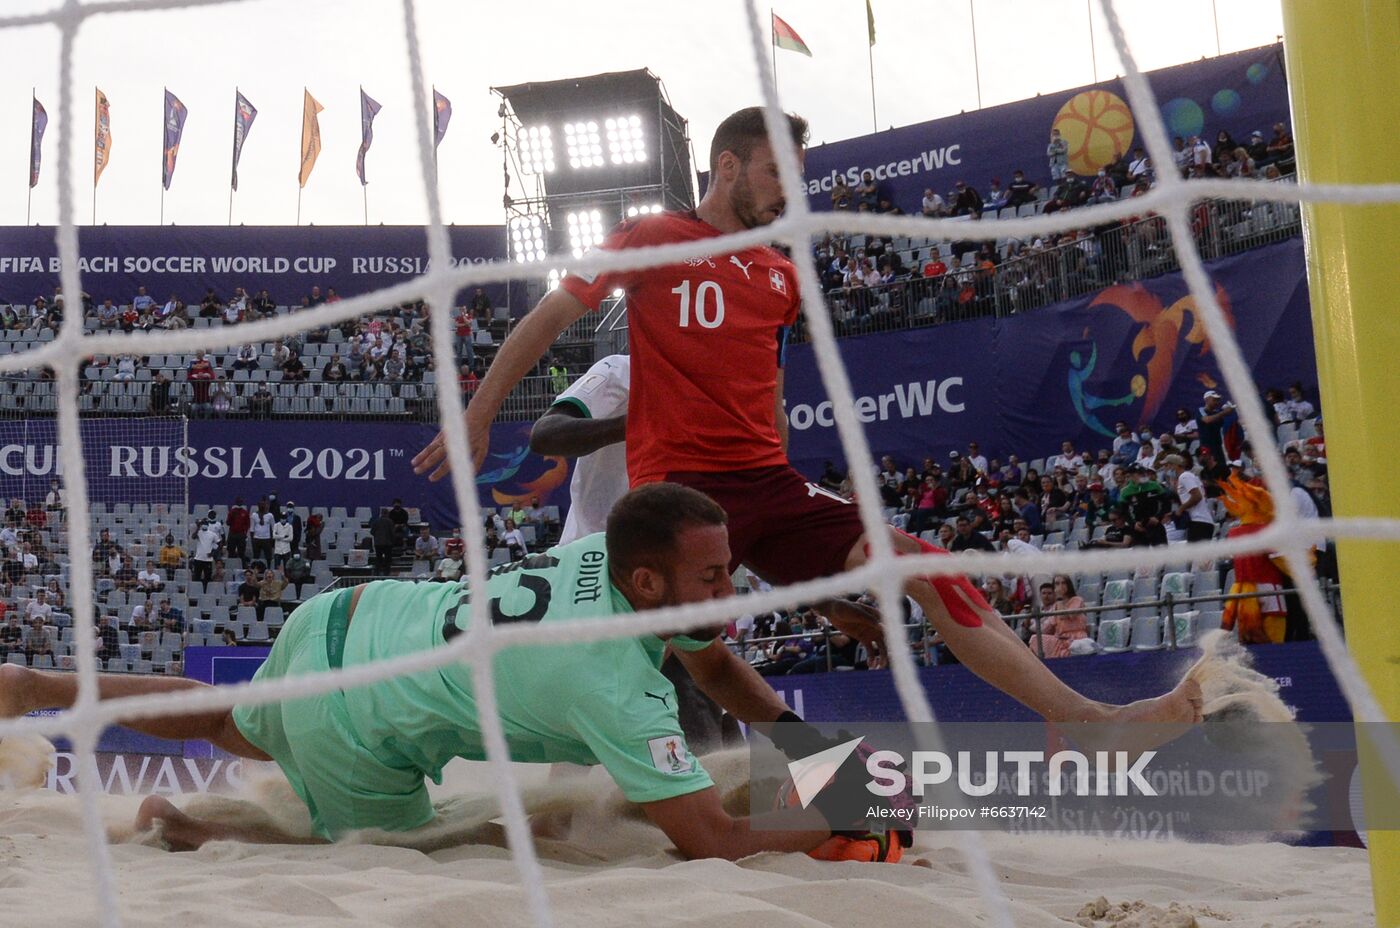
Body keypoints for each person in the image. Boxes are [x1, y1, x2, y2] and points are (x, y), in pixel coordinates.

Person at [415, 106, 1203, 739]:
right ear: (728, 167)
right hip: (677, 493)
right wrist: (477, 414)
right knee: (687, 665)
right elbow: (552, 317)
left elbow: (771, 408)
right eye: (774, 172)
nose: (790, 189)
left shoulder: (783, 272)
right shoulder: (651, 237)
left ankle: (1085, 719)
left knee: (925, 566)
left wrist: (818, 584)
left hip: (768, 483)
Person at [4, 485, 911, 863]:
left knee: (225, 717)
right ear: (647, 582)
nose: (730, 590)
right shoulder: (613, 686)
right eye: (713, 577)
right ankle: (188, 828)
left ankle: (40, 689)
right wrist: (840, 822)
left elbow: (713, 666)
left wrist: (813, 758)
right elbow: (709, 841)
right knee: (425, 844)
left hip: (354, 615)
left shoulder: (605, 550)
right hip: (355, 727)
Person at [529, 354, 630, 544]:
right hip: (591, 548)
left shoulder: (701, 388)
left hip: (665, 552)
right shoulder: (621, 370)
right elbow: (544, 435)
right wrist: (632, 425)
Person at [1029, 575, 1090, 659]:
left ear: (1068, 585)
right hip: (1060, 639)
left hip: (1076, 639)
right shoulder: (1056, 606)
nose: (1060, 586)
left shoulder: (1077, 600)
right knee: (1035, 639)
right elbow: (1046, 628)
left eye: (1063, 583)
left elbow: (1064, 615)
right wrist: (1031, 622)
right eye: (1057, 584)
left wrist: (1059, 598)